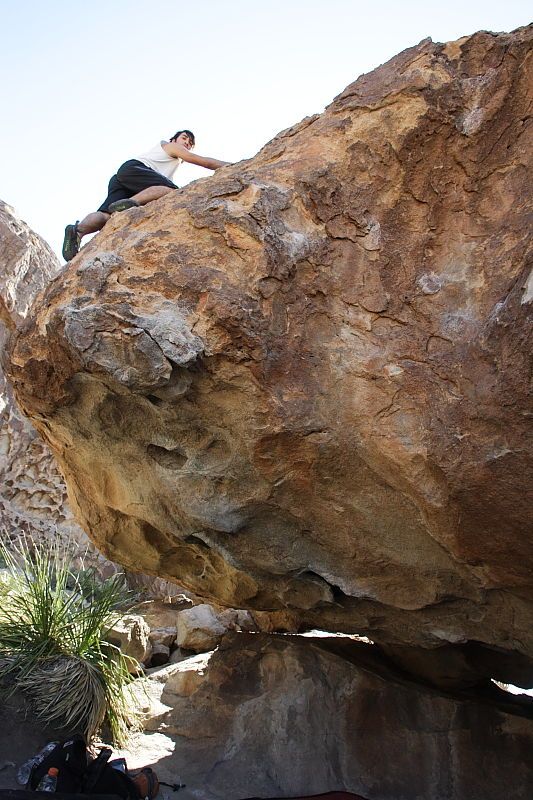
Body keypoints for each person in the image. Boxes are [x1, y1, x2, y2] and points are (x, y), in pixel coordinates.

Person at [62, 130, 230, 261]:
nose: (187, 143)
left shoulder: (166, 166)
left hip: (125, 177)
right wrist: (231, 166)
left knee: (106, 216)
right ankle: (130, 203)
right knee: (171, 191)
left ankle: (77, 232)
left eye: (190, 143)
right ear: (174, 140)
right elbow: (198, 160)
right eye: (184, 138)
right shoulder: (170, 147)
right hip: (136, 169)